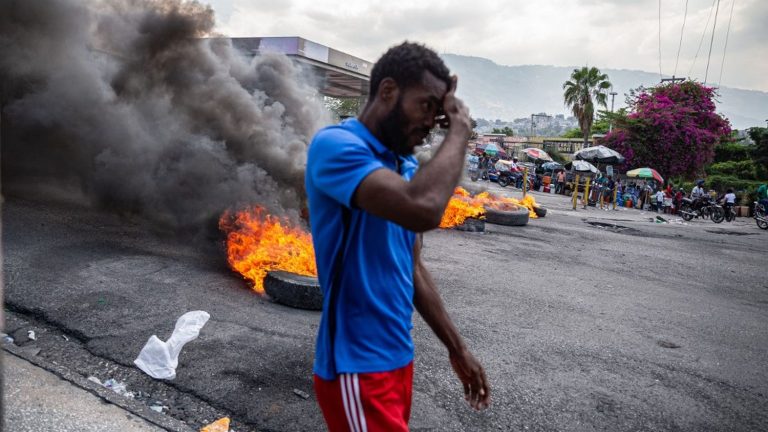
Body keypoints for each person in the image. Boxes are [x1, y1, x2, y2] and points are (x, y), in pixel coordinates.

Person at [305, 42, 490, 432]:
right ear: (388, 91)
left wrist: (457, 348)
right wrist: (459, 128)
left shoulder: (401, 165)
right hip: (355, 366)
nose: (431, 121)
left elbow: (412, 266)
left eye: (438, 111)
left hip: (397, 359)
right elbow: (421, 208)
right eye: (426, 106)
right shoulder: (337, 146)